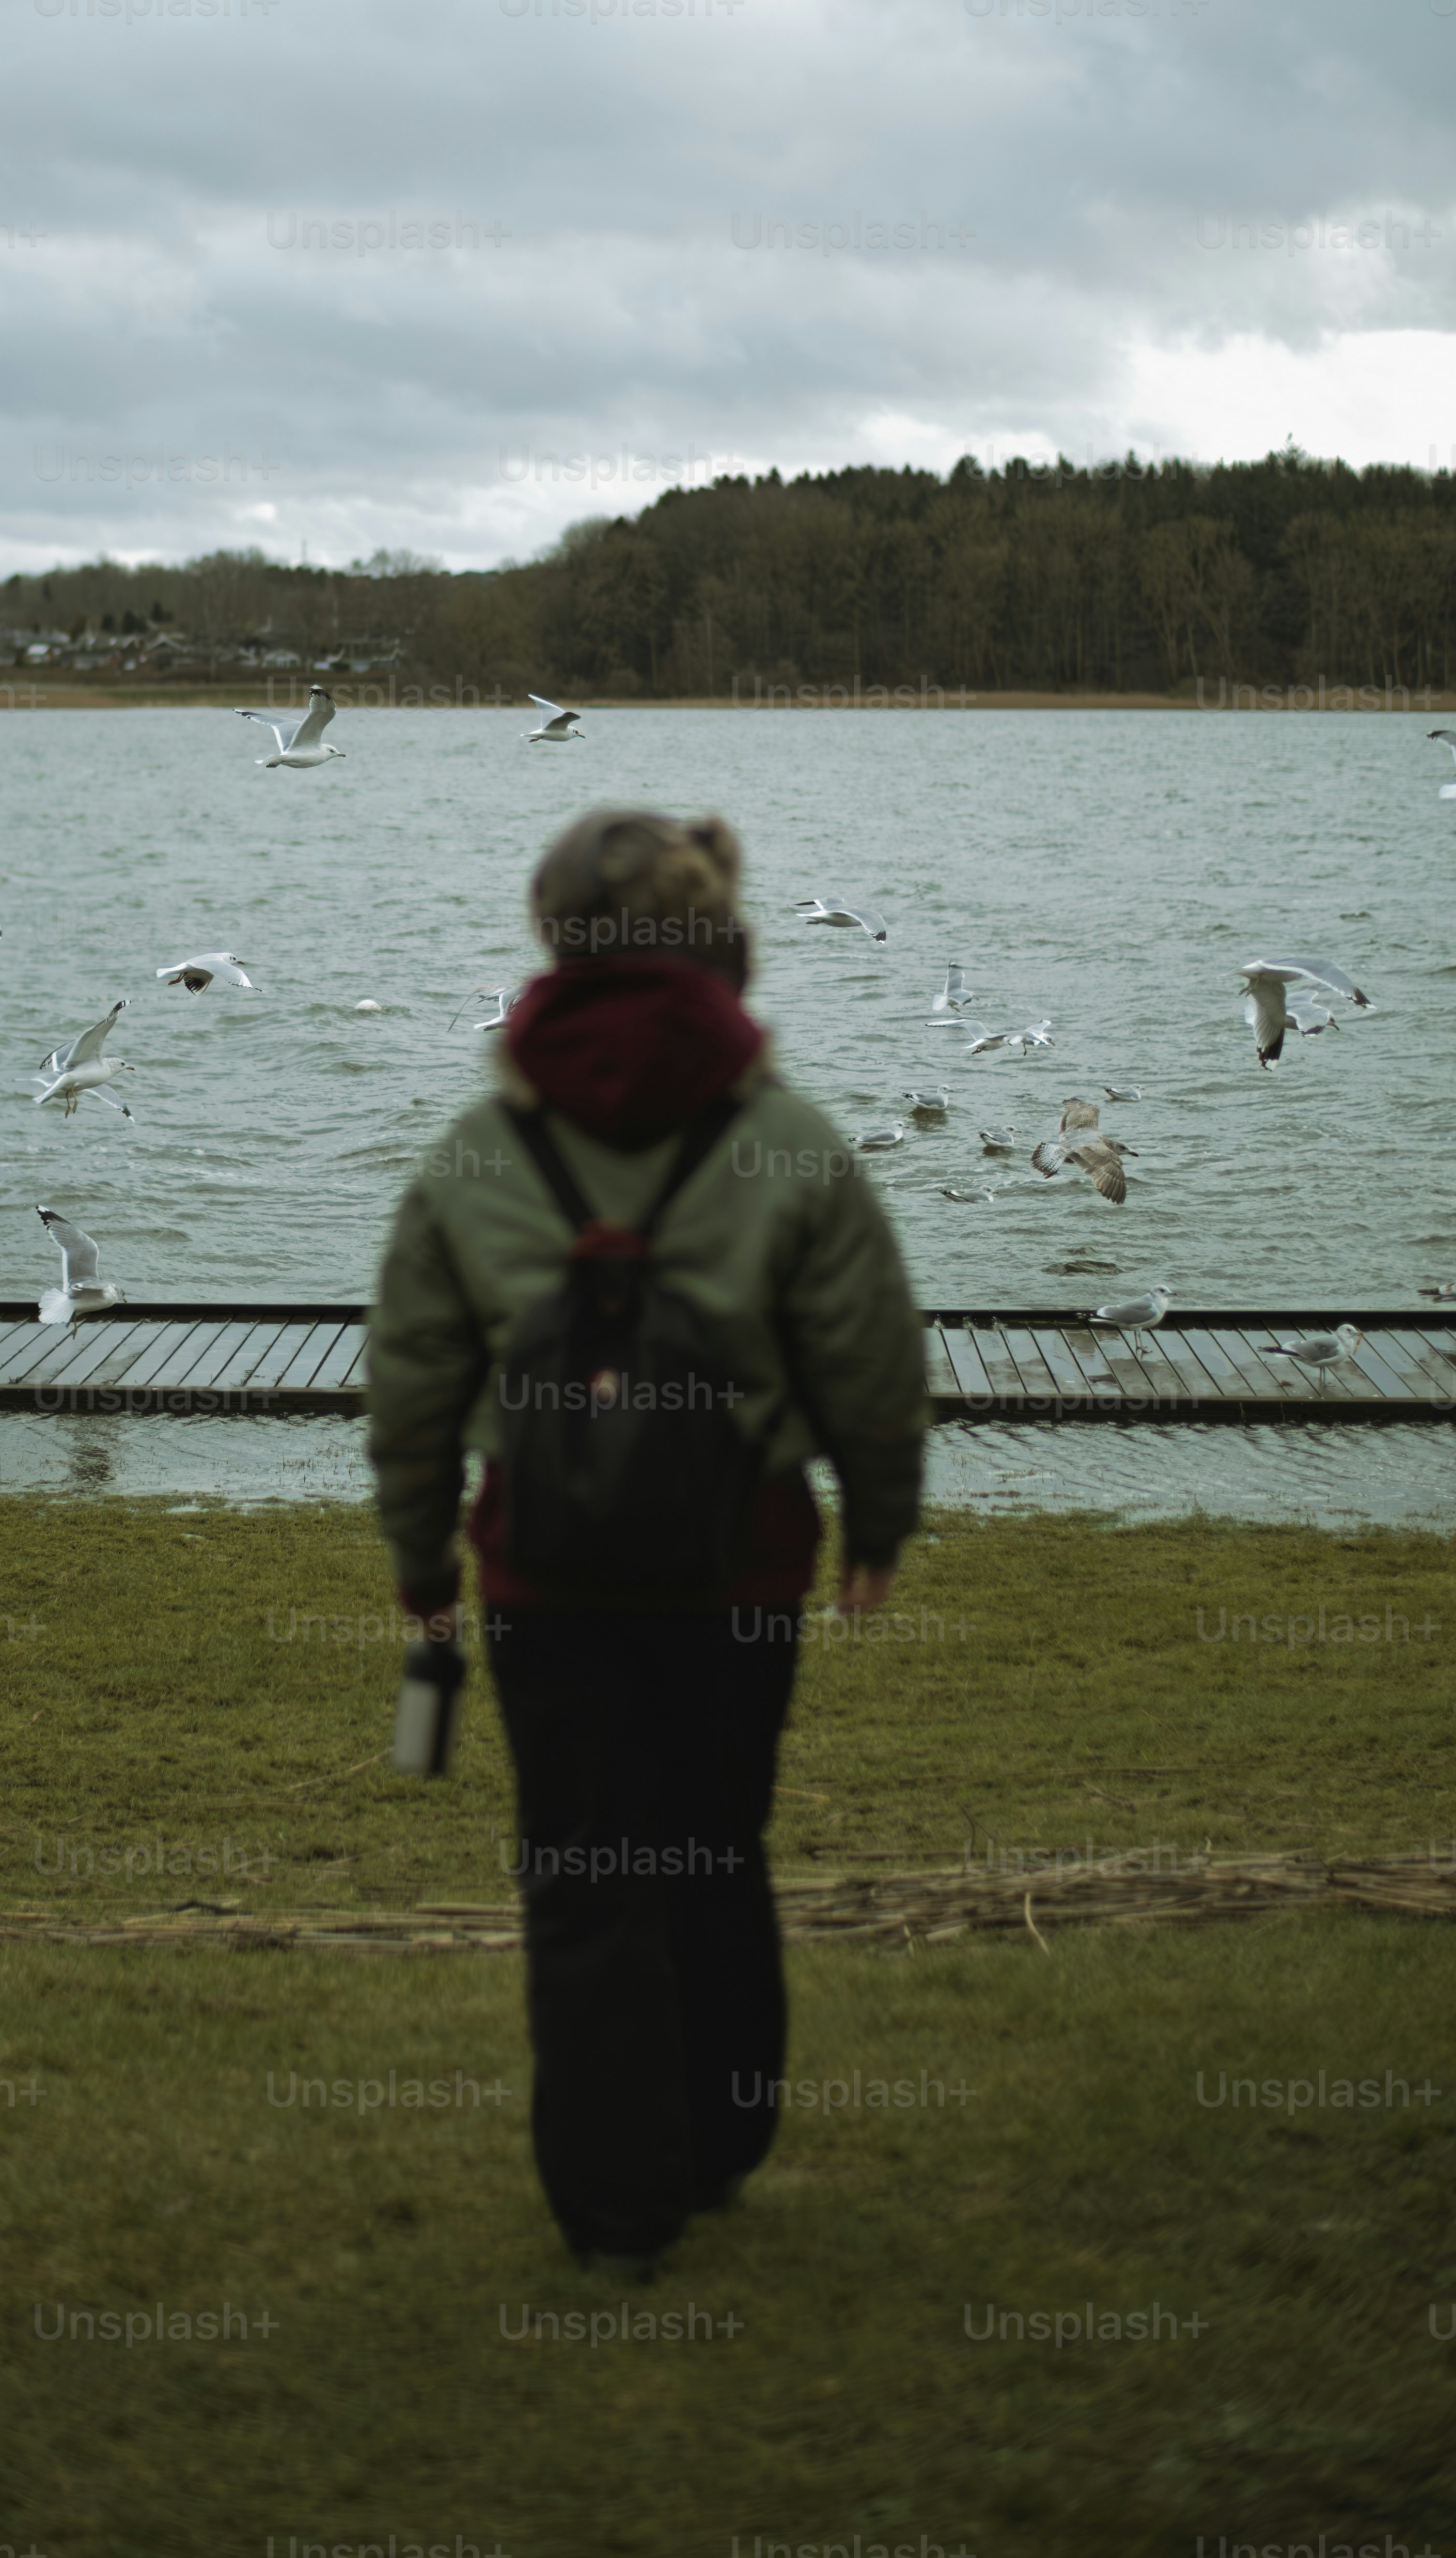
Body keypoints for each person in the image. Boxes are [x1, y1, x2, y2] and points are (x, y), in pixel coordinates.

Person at [366, 807, 929, 2276]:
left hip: (540, 1577)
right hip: (736, 1568)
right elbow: (870, 1350)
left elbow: (416, 1381)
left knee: (583, 1875)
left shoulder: (480, 1153)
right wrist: (880, 1519)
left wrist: (421, 1569)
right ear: (722, 943)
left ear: (554, 938)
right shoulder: (789, 1143)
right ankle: (722, 2138)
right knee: (713, 1847)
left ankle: (617, 2213)